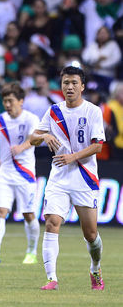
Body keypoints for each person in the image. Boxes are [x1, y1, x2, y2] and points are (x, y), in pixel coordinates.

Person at [29, 66, 105, 291]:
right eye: (65, 83)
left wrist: (73, 156)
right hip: (59, 177)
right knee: (52, 222)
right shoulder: (53, 111)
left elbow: (98, 146)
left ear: (82, 86)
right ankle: (51, 278)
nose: (69, 87)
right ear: (61, 86)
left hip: (85, 178)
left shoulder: (93, 111)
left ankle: (95, 268)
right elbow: (32, 138)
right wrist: (45, 135)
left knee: (90, 234)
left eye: (74, 83)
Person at [0, 82, 41, 264]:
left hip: (25, 174)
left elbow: (36, 139)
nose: (7, 105)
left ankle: (32, 252)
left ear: (21, 101)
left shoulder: (31, 119)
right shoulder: (0, 120)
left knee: (28, 214)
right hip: (4, 174)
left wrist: (21, 147)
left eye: (11, 101)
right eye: (5, 101)